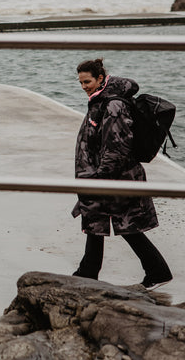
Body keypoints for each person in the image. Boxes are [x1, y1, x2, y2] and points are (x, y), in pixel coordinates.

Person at [72, 59, 173, 290]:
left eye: (87, 81)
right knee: (97, 221)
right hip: (106, 174)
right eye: (80, 82)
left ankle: (158, 272)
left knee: (126, 226)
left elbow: (116, 147)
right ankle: (88, 272)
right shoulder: (101, 100)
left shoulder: (113, 106)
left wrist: (100, 177)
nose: (83, 86)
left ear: (100, 78)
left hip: (117, 176)